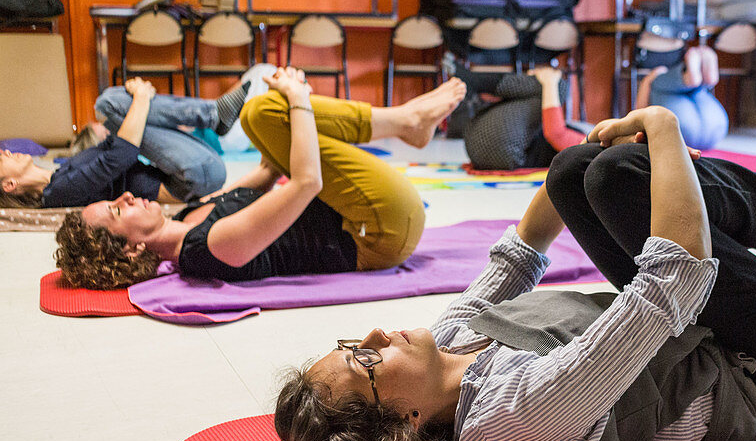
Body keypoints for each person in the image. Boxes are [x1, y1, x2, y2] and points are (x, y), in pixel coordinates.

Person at [274, 107, 756, 441]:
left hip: (698, 330)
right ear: (406, 422)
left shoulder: (451, 348)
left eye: (357, 339)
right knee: (627, 170)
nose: (378, 333)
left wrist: (569, 173)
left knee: (580, 170)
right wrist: (665, 131)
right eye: (365, 360)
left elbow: (517, 257)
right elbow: (670, 286)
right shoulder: (512, 416)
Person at [53, 67, 466, 289]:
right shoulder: (206, 250)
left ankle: (406, 122)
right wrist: (299, 101)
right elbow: (306, 183)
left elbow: (269, 171)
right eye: (115, 210)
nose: (125, 196)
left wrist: (290, 101)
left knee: (258, 114)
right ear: (131, 250)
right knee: (267, 113)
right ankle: (405, 121)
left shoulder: (189, 218)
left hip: (358, 212)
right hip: (377, 232)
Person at [0, 77, 241, 209]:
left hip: (196, 167)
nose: (8, 152)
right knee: (108, 104)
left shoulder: (60, 173)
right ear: (10, 185)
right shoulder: (58, 193)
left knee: (109, 105)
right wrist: (142, 98)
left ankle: (214, 115)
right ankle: (213, 114)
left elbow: (115, 146)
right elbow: (122, 155)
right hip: (194, 180)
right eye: (2, 158)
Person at [636, 45, 729, 152]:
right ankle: (697, 79)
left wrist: (649, 79)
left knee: (656, 79)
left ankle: (690, 78)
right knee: (696, 89)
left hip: (684, 134)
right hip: (716, 131)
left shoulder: (658, 87)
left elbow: (639, 111)